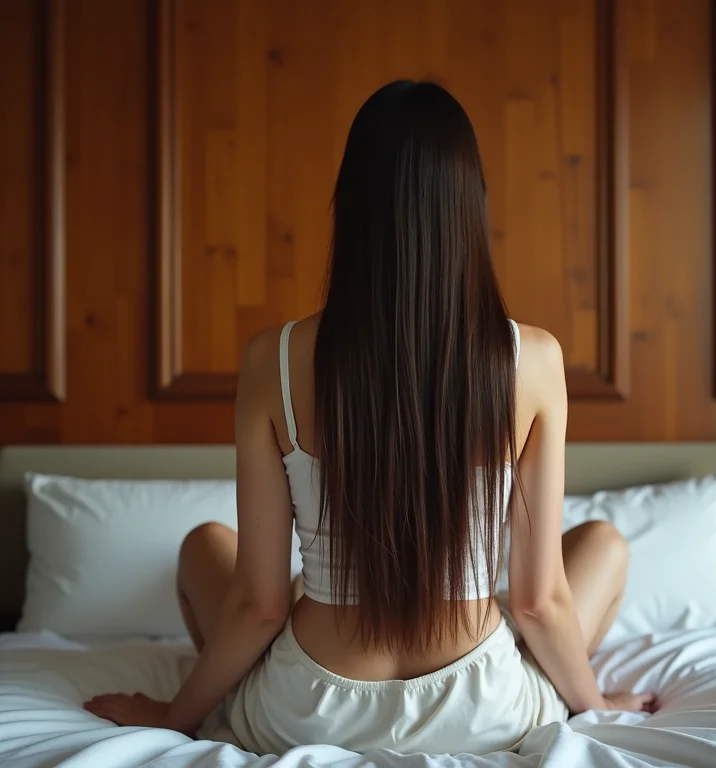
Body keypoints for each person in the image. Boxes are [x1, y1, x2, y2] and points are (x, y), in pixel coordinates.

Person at [84, 81, 656, 755]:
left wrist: (175, 716)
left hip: (311, 707)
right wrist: (594, 707)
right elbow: (537, 602)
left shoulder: (274, 358)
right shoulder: (532, 359)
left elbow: (259, 605)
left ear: (350, 207)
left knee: (205, 545)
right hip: (481, 705)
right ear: (470, 206)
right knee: (605, 547)